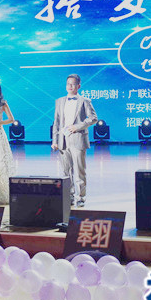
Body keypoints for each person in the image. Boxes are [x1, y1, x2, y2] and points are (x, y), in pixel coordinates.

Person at [51, 73, 98, 207]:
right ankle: (69, 197)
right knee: (66, 172)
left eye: (73, 84)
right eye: (68, 84)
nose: (70, 86)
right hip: (63, 140)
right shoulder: (59, 101)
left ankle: (81, 198)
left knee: (79, 171)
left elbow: (93, 118)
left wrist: (77, 127)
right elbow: (56, 122)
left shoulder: (85, 101)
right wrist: (54, 140)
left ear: (78, 86)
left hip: (78, 139)